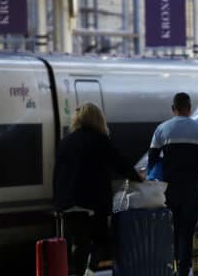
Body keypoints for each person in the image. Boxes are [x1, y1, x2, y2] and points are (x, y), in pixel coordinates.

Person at [53, 102, 141, 275]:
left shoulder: (65, 141)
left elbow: (57, 173)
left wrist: (58, 203)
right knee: (101, 242)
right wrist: (138, 178)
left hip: (68, 203)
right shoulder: (100, 140)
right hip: (92, 201)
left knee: (79, 243)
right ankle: (89, 270)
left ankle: (79, 272)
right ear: (98, 120)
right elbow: (119, 164)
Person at [147, 93, 198, 276]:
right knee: (187, 230)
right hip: (192, 188)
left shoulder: (162, 129)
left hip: (169, 188)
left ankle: (172, 266)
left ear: (174, 108)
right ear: (189, 108)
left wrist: (151, 179)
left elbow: (152, 159)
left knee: (172, 228)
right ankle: (183, 269)